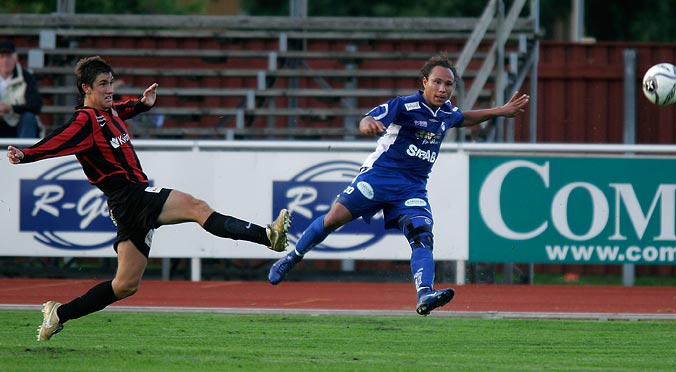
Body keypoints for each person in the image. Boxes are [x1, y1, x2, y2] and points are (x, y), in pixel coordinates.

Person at [6, 56, 291, 341]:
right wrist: (26, 154)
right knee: (197, 208)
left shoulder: (109, 112)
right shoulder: (85, 120)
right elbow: (58, 139)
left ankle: (59, 314)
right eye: (103, 84)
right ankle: (268, 237)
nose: (109, 90)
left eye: (111, 83)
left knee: (125, 285)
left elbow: (121, 108)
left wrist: (143, 104)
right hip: (130, 197)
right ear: (86, 89)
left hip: (127, 205)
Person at [268, 53, 529, 316]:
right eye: (437, 82)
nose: (442, 89)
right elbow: (368, 118)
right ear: (425, 82)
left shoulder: (447, 112)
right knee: (333, 219)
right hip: (378, 178)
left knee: (422, 236)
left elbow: (465, 117)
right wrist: (368, 123)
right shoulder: (404, 106)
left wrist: (500, 111)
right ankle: (292, 258)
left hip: (411, 189)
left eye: (448, 85)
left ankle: (425, 294)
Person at [0, 39, 42, 138]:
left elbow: (35, 105)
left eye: (9, 56)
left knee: (29, 118)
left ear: (15, 58)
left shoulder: (27, 77)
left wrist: (10, 108)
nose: (5, 60)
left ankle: (22, 153)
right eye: (2, 57)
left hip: (18, 125)